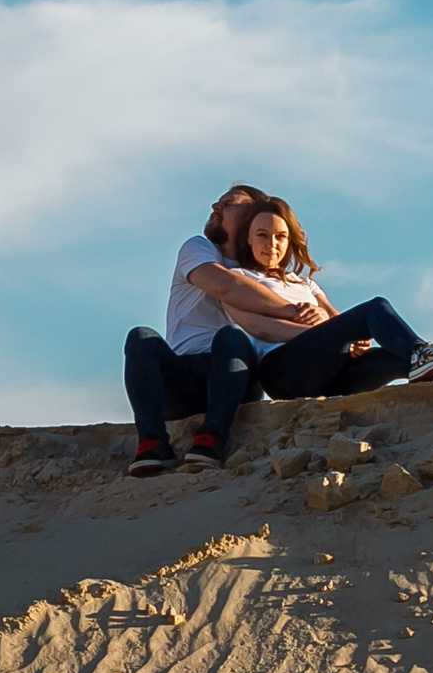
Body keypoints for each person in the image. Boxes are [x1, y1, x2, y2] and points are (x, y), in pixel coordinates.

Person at [218, 194, 433, 403]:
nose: (272, 244)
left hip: (331, 379)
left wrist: (354, 342)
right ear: (248, 239)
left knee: (388, 357)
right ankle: (429, 353)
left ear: (290, 240)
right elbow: (258, 328)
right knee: (374, 307)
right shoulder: (238, 279)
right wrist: (321, 333)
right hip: (283, 373)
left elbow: (338, 321)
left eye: (280, 236)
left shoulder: (305, 284)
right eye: (262, 235)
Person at [119, 184, 318, 477]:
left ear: (251, 216)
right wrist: (291, 312)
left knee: (231, 334)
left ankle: (212, 438)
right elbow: (225, 285)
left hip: (235, 373)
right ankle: (152, 442)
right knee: (140, 338)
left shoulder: (267, 273)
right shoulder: (200, 249)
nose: (215, 207)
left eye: (228, 204)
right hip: (185, 375)